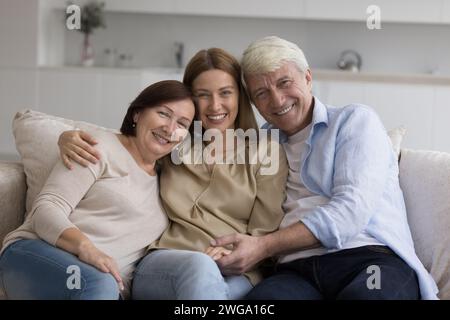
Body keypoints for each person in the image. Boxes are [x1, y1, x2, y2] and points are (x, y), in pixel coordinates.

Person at [208, 36, 438, 300]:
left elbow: (350, 211)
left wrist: (263, 247)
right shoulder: (262, 142)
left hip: (368, 258)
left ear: (307, 77)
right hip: (294, 271)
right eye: (261, 93)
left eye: (285, 83)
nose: (277, 100)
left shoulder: (354, 121)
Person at [56, 48, 288, 299]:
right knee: (200, 269)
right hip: (167, 264)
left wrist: (232, 253)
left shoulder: (266, 151)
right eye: (203, 95)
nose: (215, 105)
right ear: (190, 99)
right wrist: (66, 136)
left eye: (225, 93)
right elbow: (128, 140)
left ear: (239, 96)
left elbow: (264, 232)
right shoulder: (173, 140)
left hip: (237, 270)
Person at [0, 80, 196, 300]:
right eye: (163, 113)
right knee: (101, 283)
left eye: (182, 124)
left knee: (103, 284)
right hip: (35, 256)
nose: (170, 128)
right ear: (137, 114)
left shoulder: (171, 175)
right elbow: (46, 208)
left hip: (100, 284)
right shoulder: (98, 147)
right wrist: (86, 248)